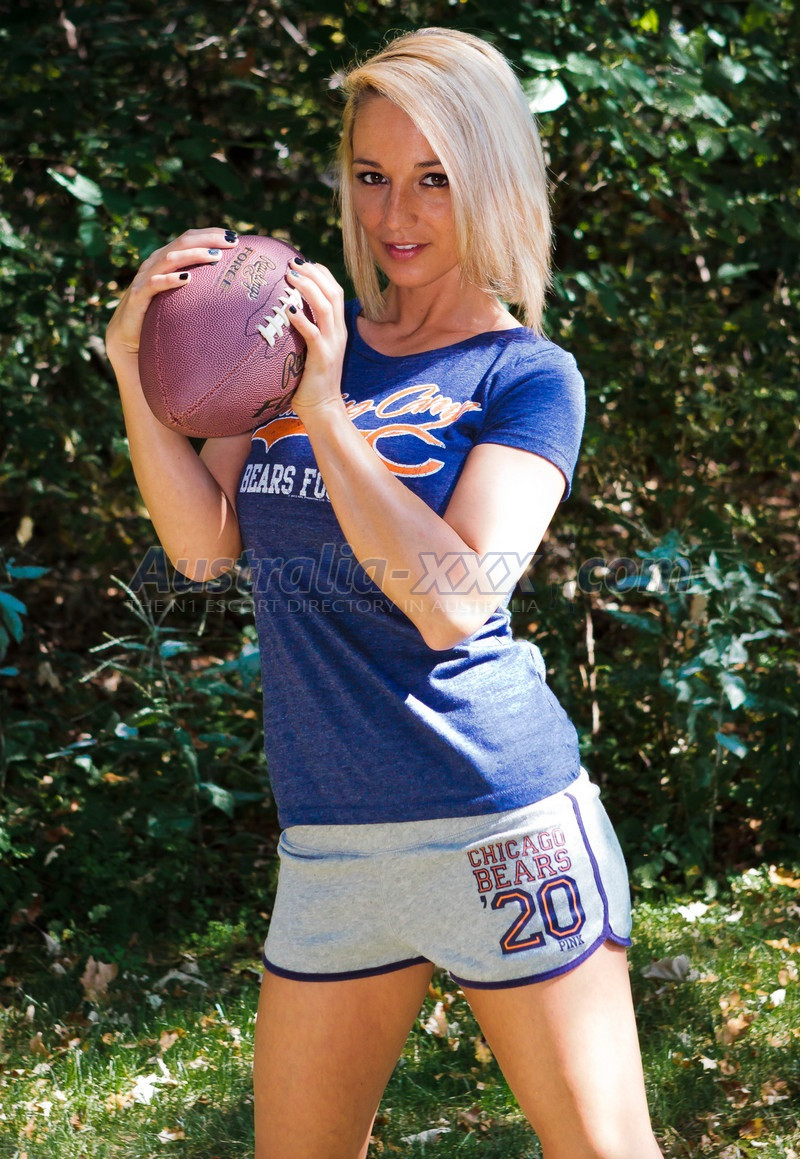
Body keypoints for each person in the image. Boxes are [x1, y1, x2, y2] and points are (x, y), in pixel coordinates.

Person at [106, 27, 662, 1159]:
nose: (393, 214)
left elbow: (454, 598)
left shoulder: (525, 376)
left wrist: (327, 413)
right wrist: (133, 366)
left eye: (433, 179)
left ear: (493, 182)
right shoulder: (288, 344)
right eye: (370, 175)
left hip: (496, 819)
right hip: (333, 839)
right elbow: (205, 550)